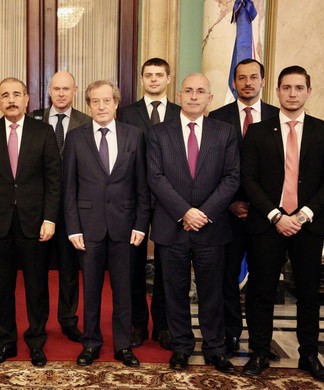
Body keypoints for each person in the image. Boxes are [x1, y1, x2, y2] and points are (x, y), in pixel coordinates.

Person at [241, 66, 324, 383]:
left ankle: (309, 354)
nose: (292, 93)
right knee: (261, 291)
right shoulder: (257, 131)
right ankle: (258, 352)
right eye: (286, 87)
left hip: (307, 225)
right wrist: (276, 215)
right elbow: (249, 179)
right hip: (267, 224)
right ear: (277, 92)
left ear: (309, 91)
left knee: (309, 293)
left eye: (299, 88)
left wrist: (303, 213)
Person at [146, 73, 239, 373]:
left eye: (201, 91)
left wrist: (203, 213)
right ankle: (181, 346)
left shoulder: (224, 132)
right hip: (172, 225)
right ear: (179, 95)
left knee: (212, 292)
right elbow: (155, 177)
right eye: (188, 91)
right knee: (174, 292)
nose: (194, 96)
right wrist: (185, 211)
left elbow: (231, 177)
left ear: (210, 98)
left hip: (211, 227)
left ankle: (214, 347)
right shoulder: (159, 133)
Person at [0, 77, 60, 367]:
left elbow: (53, 180)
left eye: (16, 94)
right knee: (3, 287)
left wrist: (50, 218)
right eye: (4, 95)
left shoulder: (43, 132)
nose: (11, 99)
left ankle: (36, 341)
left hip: (35, 223)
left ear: (27, 99)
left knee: (37, 287)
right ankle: (7, 342)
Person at [63, 80, 150, 367]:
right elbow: (69, 188)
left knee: (124, 290)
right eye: (95, 101)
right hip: (88, 229)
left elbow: (142, 186)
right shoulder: (76, 138)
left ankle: (124, 345)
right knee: (90, 289)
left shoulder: (134, 136)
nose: (101, 106)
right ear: (88, 105)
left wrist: (140, 224)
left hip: (125, 227)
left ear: (116, 103)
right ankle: (91, 343)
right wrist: (73, 227)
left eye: (106, 101)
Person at [209, 58, 279, 358]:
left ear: (263, 81)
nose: (248, 82)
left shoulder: (278, 116)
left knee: (263, 281)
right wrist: (230, 203)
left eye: (253, 77)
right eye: (241, 77)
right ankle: (231, 334)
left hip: (267, 217)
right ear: (233, 82)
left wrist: (264, 206)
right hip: (229, 215)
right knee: (227, 279)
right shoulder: (217, 117)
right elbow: (212, 169)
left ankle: (260, 341)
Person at [118, 57, 179, 349]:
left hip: (171, 201)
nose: (153, 79)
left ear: (169, 79)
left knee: (168, 265)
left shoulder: (181, 113)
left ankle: (164, 325)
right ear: (142, 79)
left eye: (159, 75)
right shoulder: (126, 113)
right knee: (133, 266)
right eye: (148, 75)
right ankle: (137, 324)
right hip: (133, 199)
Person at [31, 70, 90, 342]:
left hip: (72, 210)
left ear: (75, 90)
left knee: (69, 270)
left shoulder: (86, 122)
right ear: (49, 91)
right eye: (56, 89)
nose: (61, 93)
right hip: (38, 210)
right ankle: (38, 322)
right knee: (37, 270)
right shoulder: (34, 120)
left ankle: (68, 320)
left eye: (66, 88)